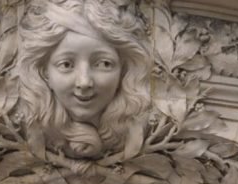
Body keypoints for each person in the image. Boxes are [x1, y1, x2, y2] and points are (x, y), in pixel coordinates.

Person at [18, 0, 151, 159]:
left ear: (123, 71)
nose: (84, 82)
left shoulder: (144, 127)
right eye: (66, 64)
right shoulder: (27, 124)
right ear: (44, 72)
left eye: (104, 64)